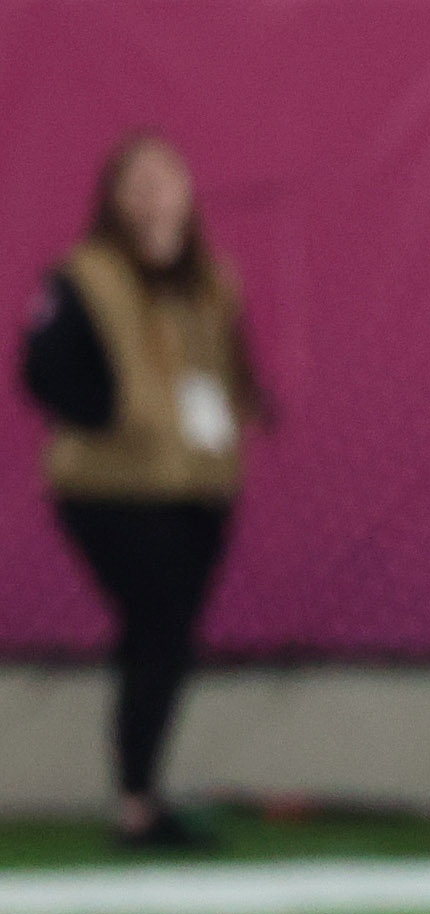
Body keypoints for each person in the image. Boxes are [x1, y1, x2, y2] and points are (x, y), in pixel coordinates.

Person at [18, 134, 266, 850]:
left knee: (166, 639)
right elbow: (41, 371)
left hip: (199, 483)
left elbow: (226, 362)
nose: (156, 196)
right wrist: (113, 415)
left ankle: (142, 792)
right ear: (115, 196)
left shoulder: (211, 278)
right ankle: (137, 802)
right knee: (159, 627)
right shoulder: (84, 276)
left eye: (169, 180)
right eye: (140, 182)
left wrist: (242, 409)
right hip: (111, 486)